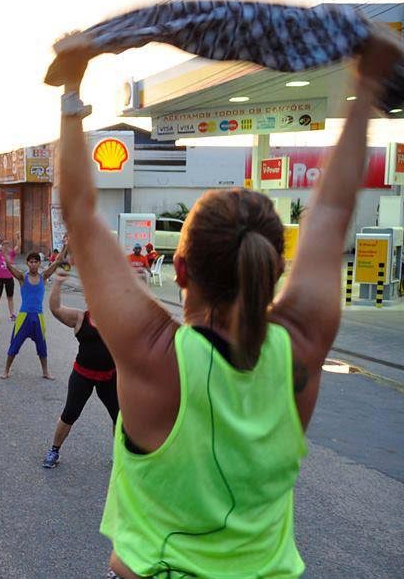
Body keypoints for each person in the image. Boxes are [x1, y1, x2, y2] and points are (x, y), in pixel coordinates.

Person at [50, 37, 401, 577]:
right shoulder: (298, 348)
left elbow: (78, 210)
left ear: (182, 271)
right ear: (274, 271)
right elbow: (332, 209)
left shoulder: (155, 355)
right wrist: (368, 86)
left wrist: (72, 90)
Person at [41, 270, 118, 468]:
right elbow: (56, 308)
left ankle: (119, 455)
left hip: (109, 377)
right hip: (82, 375)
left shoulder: (117, 321)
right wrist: (57, 283)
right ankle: (54, 451)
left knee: (119, 416)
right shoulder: (80, 318)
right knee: (70, 413)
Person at [0, 244, 67, 379]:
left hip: (38, 317)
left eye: (36, 261)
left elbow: (58, 261)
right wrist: (4, 253)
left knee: (42, 346)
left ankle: (45, 372)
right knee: (15, 344)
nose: (34, 264)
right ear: (27, 263)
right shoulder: (22, 277)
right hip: (24, 317)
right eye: (31, 262)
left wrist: (66, 245)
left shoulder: (44, 276)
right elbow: (9, 266)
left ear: (40, 263)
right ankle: (6, 370)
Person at [0, 234, 19, 322]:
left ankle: (12, 314)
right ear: (1, 247)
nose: (6, 248)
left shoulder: (11, 254)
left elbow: (18, 247)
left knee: (10, 297)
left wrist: (18, 238)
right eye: (4, 245)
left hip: (9, 278)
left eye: (7, 246)